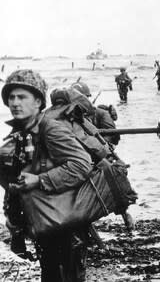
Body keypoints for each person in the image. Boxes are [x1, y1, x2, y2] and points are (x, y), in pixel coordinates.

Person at [0, 69, 93, 281]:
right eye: (11, 97)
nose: (15, 103)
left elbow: (81, 164)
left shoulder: (51, 129)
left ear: (38, 101)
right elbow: (16, 184)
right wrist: (15, 226)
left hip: (66, 224)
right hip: (44, 223)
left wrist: (40, 180)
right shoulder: (20, 135)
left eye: (22, 97)